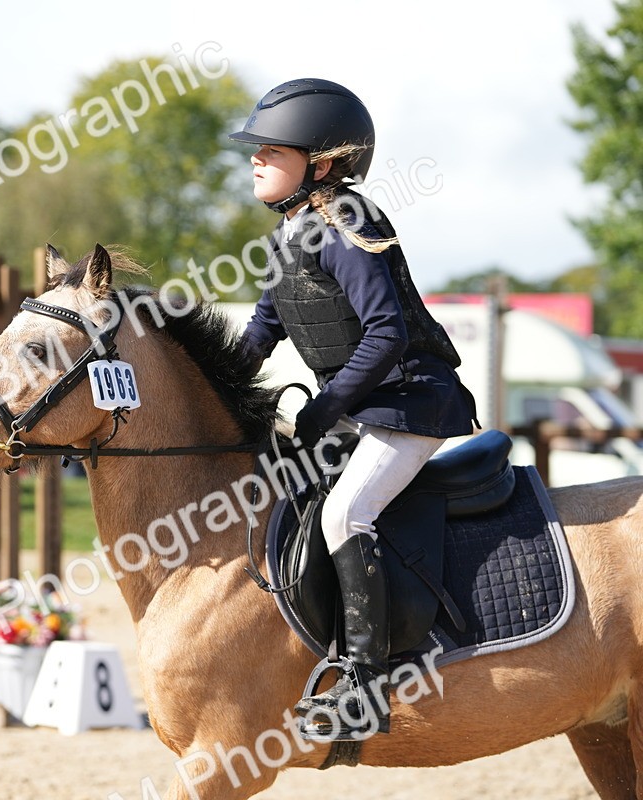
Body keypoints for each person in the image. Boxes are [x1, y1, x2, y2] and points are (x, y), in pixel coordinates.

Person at [230, 79, 477, 738]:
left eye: (271, 150)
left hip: (410, 402)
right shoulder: (289, 236)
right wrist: (209, 381)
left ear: (323, 163)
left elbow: (387, 333)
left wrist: (327, 407)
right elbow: (259, 335)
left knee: (346, 511)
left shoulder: (347, 221)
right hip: (360, 408)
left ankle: (367, 684)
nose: (254, 160)